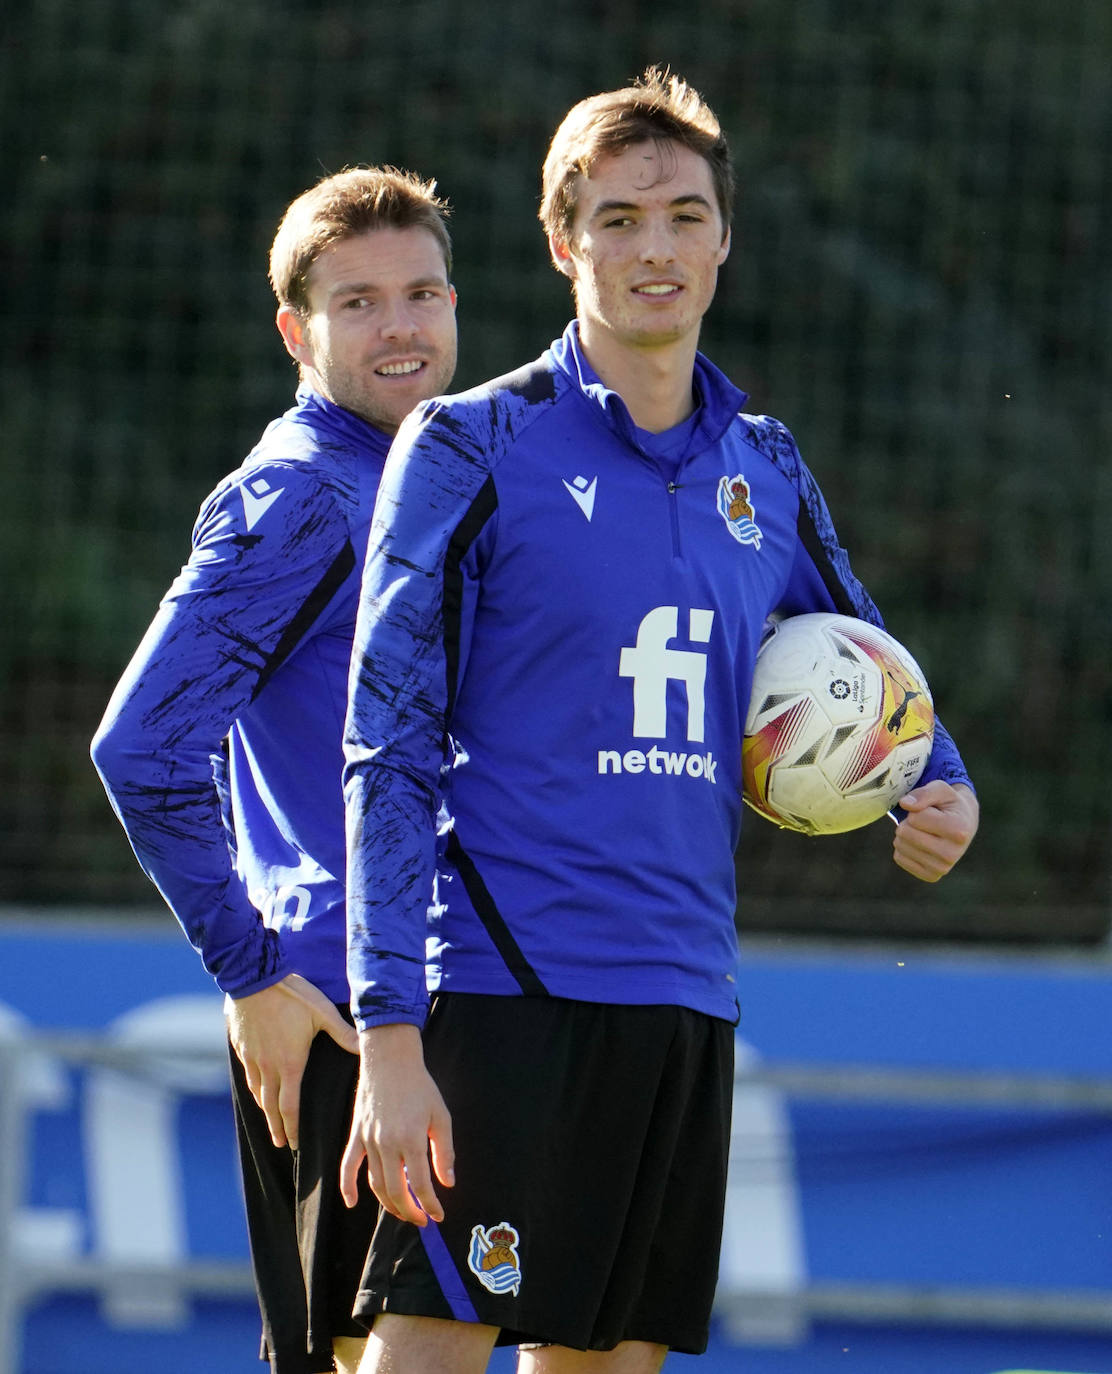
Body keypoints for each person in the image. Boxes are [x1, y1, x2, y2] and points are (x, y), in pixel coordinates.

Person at [339, 68, 979, 1374]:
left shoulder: (764, 460)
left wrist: (937, 780)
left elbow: (866, 643)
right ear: (563, 240)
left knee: (613, 1362)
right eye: (620, 219)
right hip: (505, 988)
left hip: (684, 995)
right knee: (431, 1348)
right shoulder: (473, 445)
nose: (656, 249)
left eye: (685, 215)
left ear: (724, 238)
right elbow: (385, 742)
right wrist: (390, 1033)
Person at [90, 166, 460, 1374]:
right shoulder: (303, 496)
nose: (400, 326)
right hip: (345, 1018)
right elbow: (142, 746)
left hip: (448, 998)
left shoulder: (424, 478)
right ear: (295, 332)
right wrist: (250, 972)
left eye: (422, 292)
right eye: (359, 303)